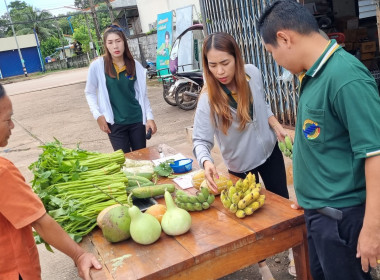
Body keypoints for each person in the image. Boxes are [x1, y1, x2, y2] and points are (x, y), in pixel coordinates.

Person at [258, 1, 380, 279]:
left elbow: (375, 153)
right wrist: (311, 192)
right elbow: (325, 142)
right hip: (320, 213)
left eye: (271, 53)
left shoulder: (345, 77)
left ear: (284, 38)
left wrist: (373, 228)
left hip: (341, 220)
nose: (275, 61)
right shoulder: (313, 74)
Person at [192, 32, 294, 280]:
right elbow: (200, 140)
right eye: (212, 65)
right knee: (248, 220)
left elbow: (263, 104)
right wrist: (206, 162)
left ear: (236, 57)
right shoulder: (208, 98)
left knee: (283, 208)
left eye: (225, 63)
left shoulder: (252, 73)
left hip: (270, 154)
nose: (220, 71)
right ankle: (262, 265)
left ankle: (292, 252)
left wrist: (275, 124)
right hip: (239, 165)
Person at [0, 84, 102, 280]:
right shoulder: (2, 172)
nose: (12, 126)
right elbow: (39, 221)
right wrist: (79, 255)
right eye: (8, 119)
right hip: (13, 272)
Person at [85, 24, 157, 153]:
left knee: (141, 159)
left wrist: (149, 117)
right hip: (115, 124)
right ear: (106, 45)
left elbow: (142, 95)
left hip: (136, 120)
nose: (115, 46)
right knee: (124, 161)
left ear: (124, 42)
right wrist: (98, 115)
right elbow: (89, 92)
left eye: (118, 41)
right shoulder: (98, 66)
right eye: (110, 42)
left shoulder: (135, 65)